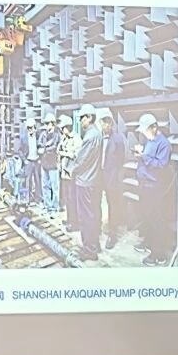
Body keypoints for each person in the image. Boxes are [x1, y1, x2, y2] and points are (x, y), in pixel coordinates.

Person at [134, 113, 172, 266]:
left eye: (145, 130)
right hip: (144, 186)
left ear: (154, 127)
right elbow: (147, 160)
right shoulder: (149, 141)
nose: (143, 133)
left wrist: (143, 157)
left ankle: (158, 255)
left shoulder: (164, 144)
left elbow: (161, 165)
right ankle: (149, 243)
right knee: (147, 218)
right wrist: (140, 155)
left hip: (154, 188)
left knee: (156, 220)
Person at [67, 104, 103, 261]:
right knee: (93, 215)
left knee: (85, 217)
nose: (80, 121)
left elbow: (81, 161)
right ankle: (95, 245)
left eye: (82, 118)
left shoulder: (90, 136)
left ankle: (89, 250)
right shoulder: (97, 133)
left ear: (89, 117)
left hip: (85, 182)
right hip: (94, 181)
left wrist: (71, 170)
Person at [97, 108, 126, 248]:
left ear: (112, 123)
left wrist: (115, 176)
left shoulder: (118, 139)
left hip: (112, 178)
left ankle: (112, 235)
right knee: (96, 203)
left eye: (108, 122)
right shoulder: (97, 137)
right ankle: (97, 227)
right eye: (104, 122)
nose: (106, 125)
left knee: (112, 206)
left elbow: (121, 160)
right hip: (98, 176)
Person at [57, 114, 81, 231]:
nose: (61, 130)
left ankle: (75, 223)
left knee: (72, 199)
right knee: (67, 199)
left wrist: (64, 153)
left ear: (67, 127)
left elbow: (77, 155)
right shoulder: (64, 138)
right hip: (64, 174)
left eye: (63, 128)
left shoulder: (76, 139)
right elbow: (59, 150)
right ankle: (69, 219)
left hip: (72, 174)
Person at [14, 117, 42, 204]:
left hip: (36, 161)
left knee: (38, 180)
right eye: (28, 128)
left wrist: (40, 158)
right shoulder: (24, 137)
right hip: (28, 161)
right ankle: (28, 198)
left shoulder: (38, 136)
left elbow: (41, 146)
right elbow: (19, 150)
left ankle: (38, 198)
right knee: (28, 181)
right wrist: (24, 160)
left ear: (34, 127)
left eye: (31, 128)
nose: (30, 130)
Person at [38, 113, 61, 213]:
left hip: (53, 164)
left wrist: (45, 149)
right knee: (45, 186)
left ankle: (54, 207)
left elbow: (55, 148)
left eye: (48, 123)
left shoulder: (57, 135)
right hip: (44, 164)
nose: (46, 125)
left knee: (54, 187)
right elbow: (39, 145)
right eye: (45, 123)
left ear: (53, 123)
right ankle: (47, 205)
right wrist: (42, 149)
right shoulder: (43, 134)